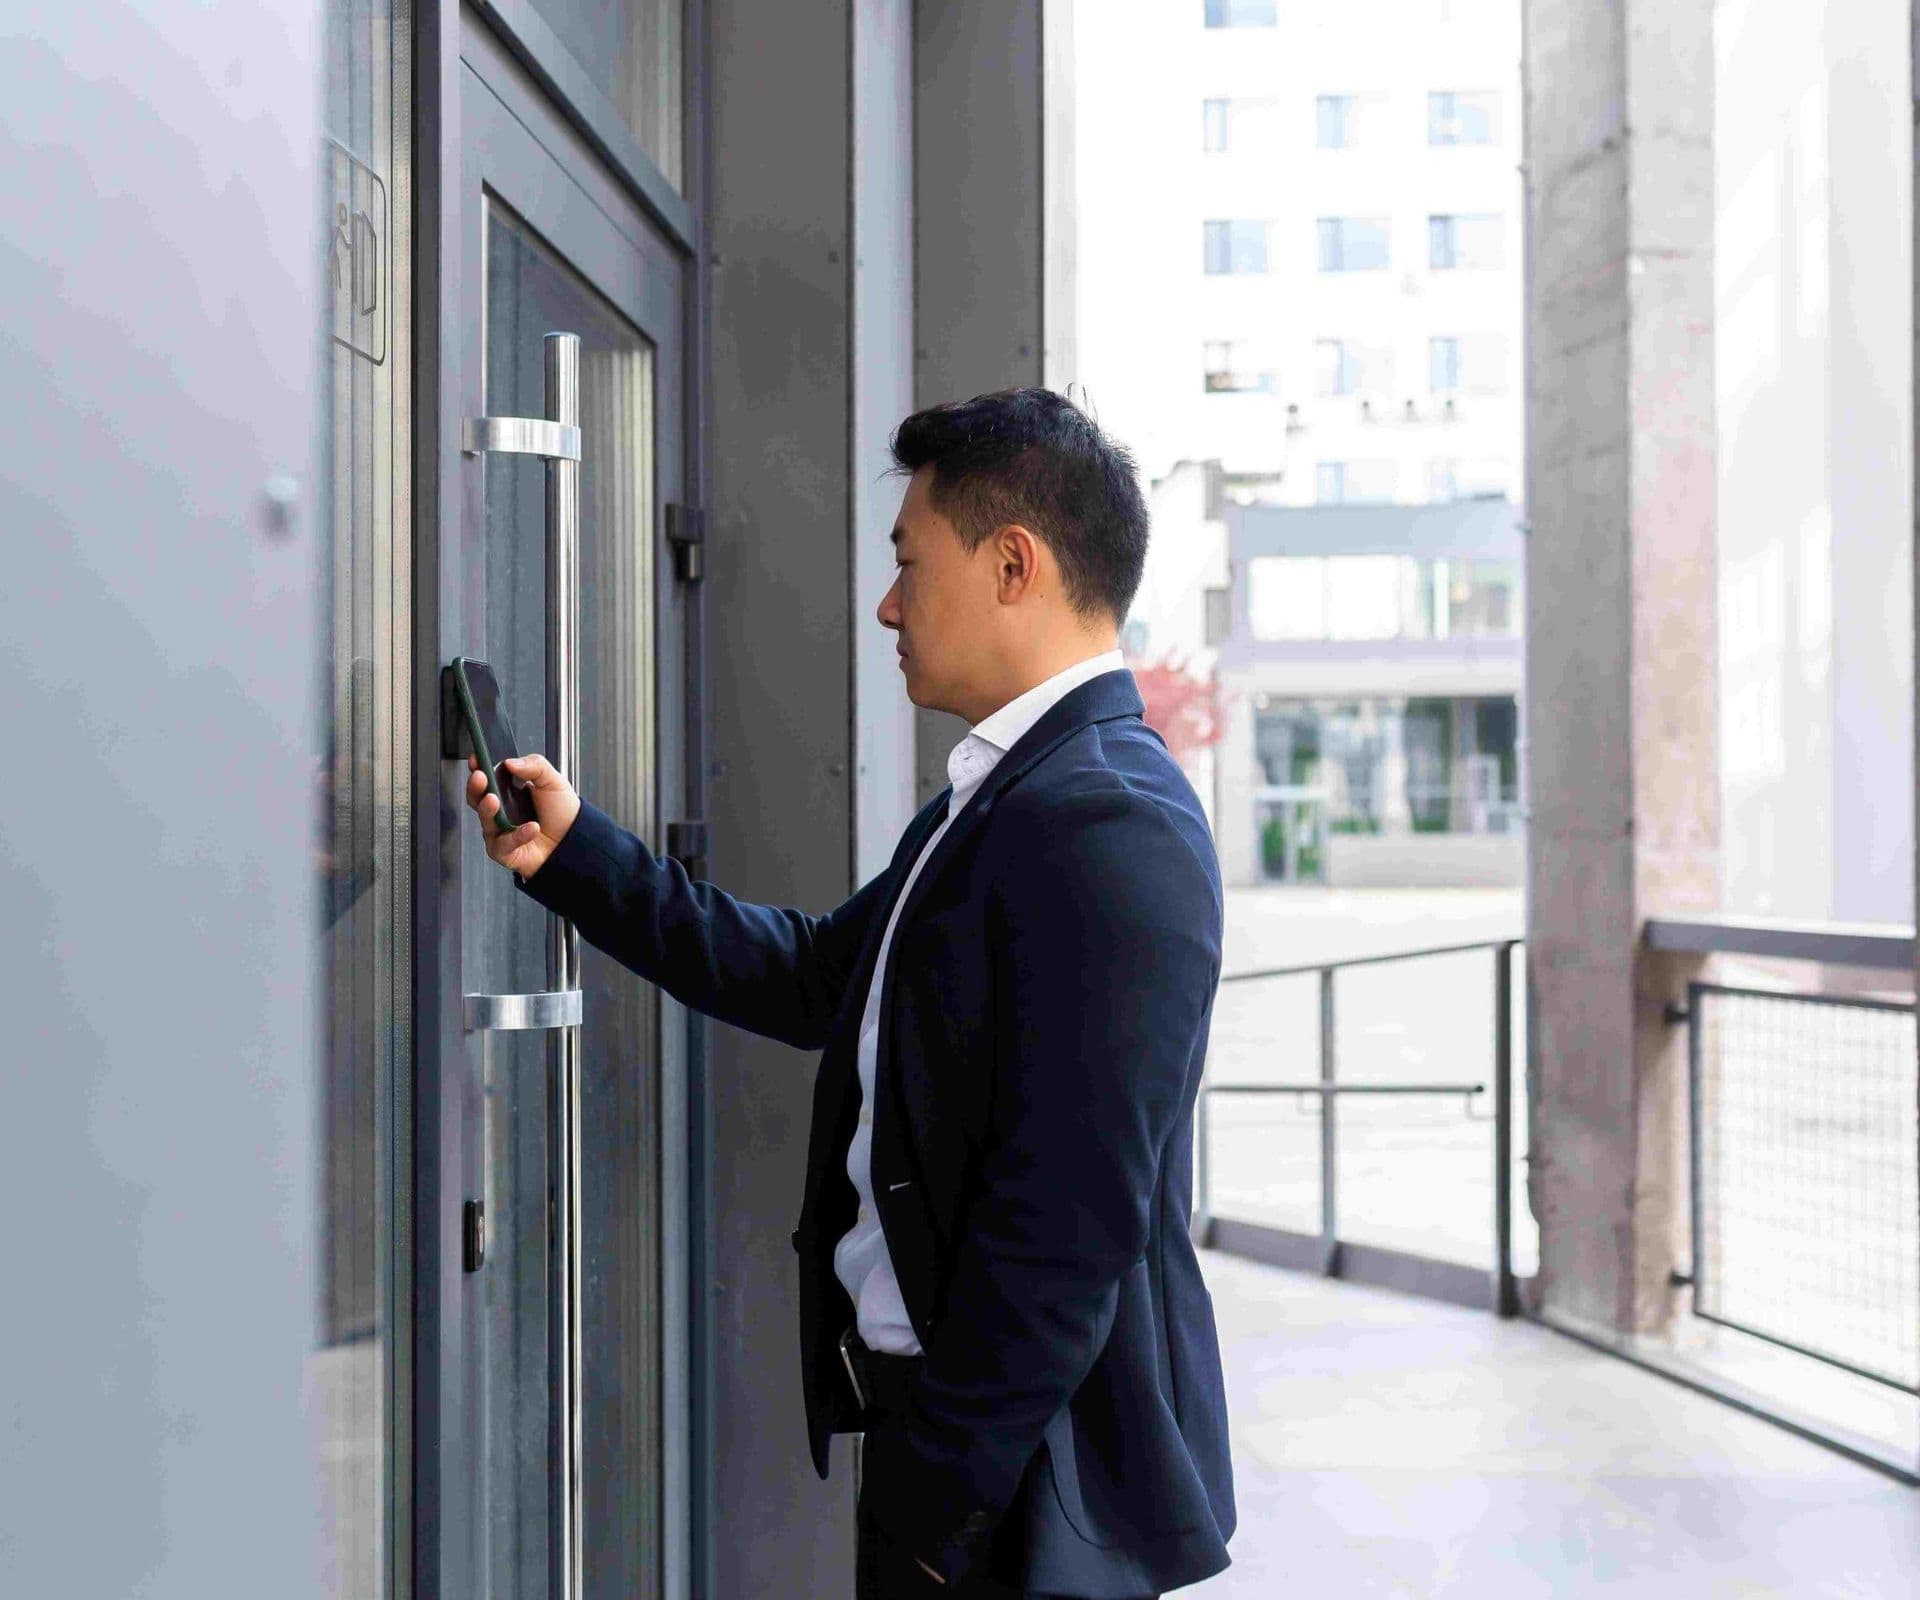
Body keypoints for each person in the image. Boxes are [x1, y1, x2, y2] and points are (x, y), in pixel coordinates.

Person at [465, 387, 1234, 1598]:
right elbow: (821, 974)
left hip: (1017, 1496)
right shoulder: (1002, 800)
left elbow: (1067, 1227)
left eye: (909, 564)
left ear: (1014, 564)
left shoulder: (1109, 823)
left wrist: (937, 1507)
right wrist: (574, 855)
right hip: (964, 1468)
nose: (889, 604)